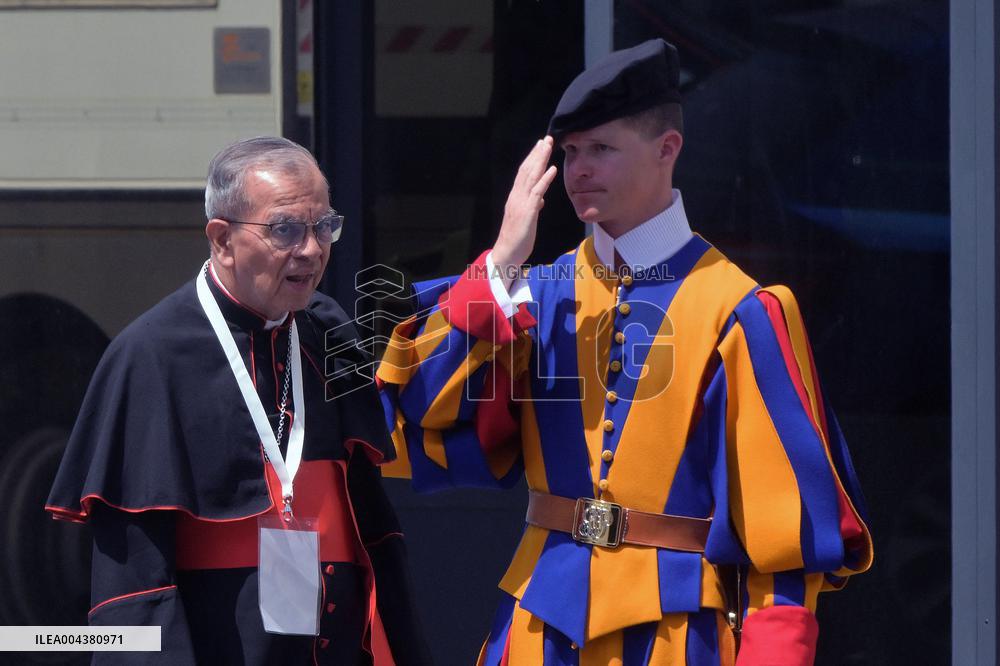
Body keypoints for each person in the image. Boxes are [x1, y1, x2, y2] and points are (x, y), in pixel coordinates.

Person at [377, 39, 872, 665]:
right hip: (536, 633)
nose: (579, 169)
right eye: (571, 152)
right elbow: (421, 413)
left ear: (668, 149)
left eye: (602, 149)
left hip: (677, 640)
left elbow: (786, 549)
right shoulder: (531, 296)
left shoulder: (740, 310)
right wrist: (500, 262)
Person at [46, 137, 430, 665]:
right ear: (222, 239)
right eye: (285, 229)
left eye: (323, 226)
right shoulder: (150, 356)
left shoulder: (329, 333)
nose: (312, 249)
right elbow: (134, 587)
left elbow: (371, 524)